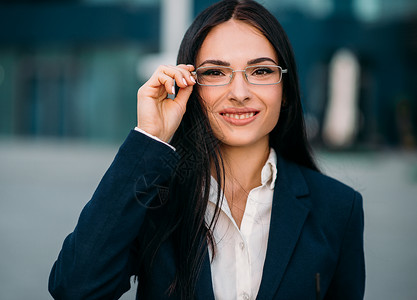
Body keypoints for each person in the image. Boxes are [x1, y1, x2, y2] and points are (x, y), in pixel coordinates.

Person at [48, 0, 365, 299]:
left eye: (261, 71)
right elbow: (75, 289)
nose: (239, 93)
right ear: (189, 85)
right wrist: (148, 138)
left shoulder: (339, 208)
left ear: (285, 90)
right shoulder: (154, 199)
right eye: (215, 72)